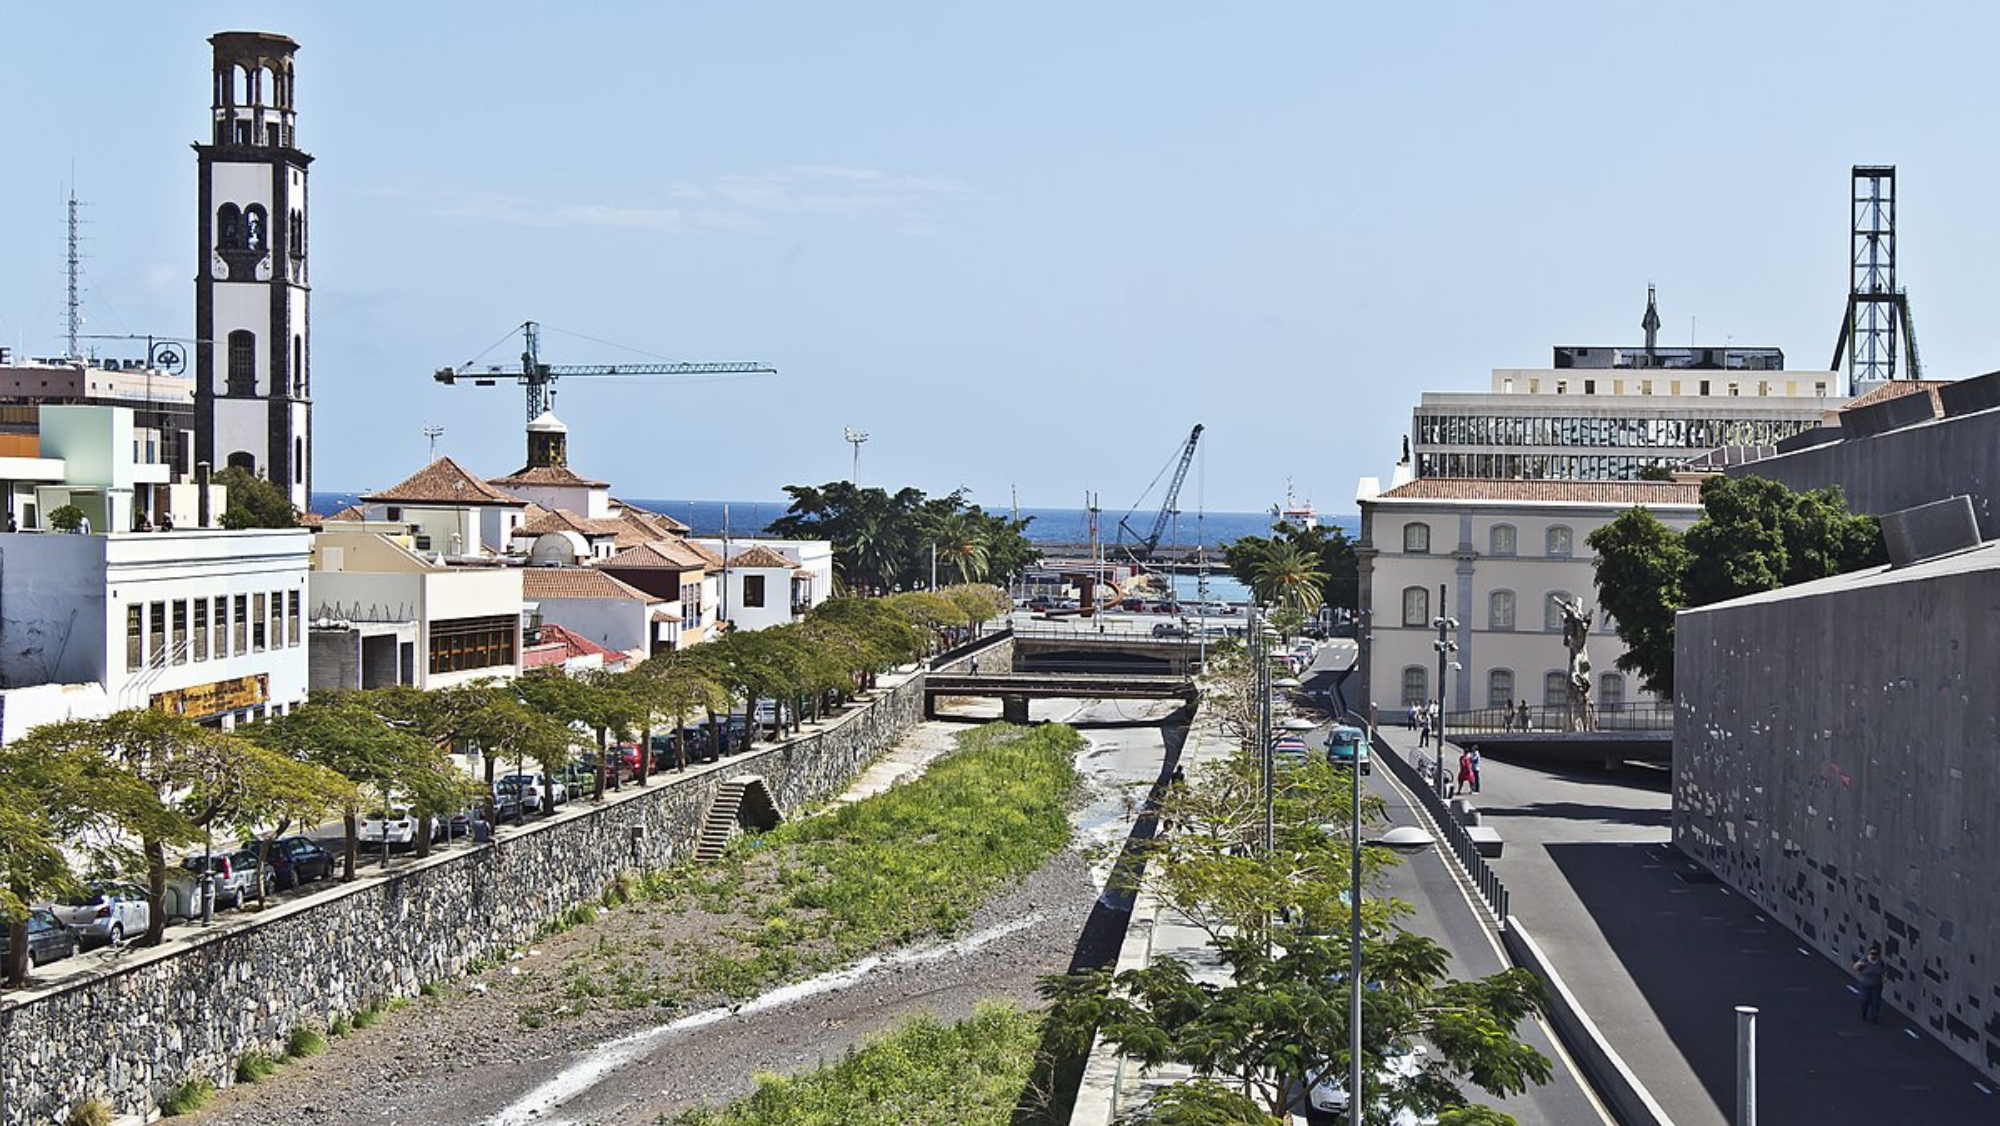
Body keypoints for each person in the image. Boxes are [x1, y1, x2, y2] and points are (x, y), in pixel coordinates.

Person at [1854, 945, 1886, 1023]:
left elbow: (1884, 972)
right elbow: (1855, 967)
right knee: (1865, 1000)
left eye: (1875, 954)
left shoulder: (1880, 963)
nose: (1873, 955)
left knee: (1876, 1002)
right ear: (1869, 953)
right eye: (1872, 953)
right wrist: (1860, 965)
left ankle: (1874, 1017)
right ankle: (1864, 1012)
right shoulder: (1864, 960)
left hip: (1876, 986)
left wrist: (1884, 979)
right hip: (1865, 985)